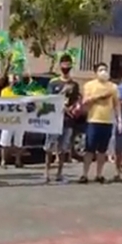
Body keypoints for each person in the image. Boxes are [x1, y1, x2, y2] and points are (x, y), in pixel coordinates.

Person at [80, 62, 122, 184]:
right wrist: (99, 96)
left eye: (105, 69)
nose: (103, 72)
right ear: (96, 72)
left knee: (102, 150)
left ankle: (99, 174)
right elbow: (85, 102)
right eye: (101, 70)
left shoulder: (113, 87)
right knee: (89, 149)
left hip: (107, 121)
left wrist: (119, 120)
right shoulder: (89, 85)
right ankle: (84, 174)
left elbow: (117, 104)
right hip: (93, 120)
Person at [44, 54, 81, 183]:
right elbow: (48, 100)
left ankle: (59, 173)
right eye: (63, 63)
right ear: (60, 65)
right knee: (49, 147)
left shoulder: (75, 84)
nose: (66, 66)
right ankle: (47, 172)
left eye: (68, 64)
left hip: (68, 121)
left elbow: (77, 100)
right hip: (54, 119)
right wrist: (62, 92)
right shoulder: (53, 82)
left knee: (63, 148)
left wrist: (74, 108)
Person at [0, 75, 26, 169]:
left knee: (19, 141)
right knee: (5, 141)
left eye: (16, 78)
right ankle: (3, 161)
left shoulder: (22, 91)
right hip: (8, 119)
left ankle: (18, 161)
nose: (14, 80)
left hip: (20, 119)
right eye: (12, 78)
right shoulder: (4, 91)